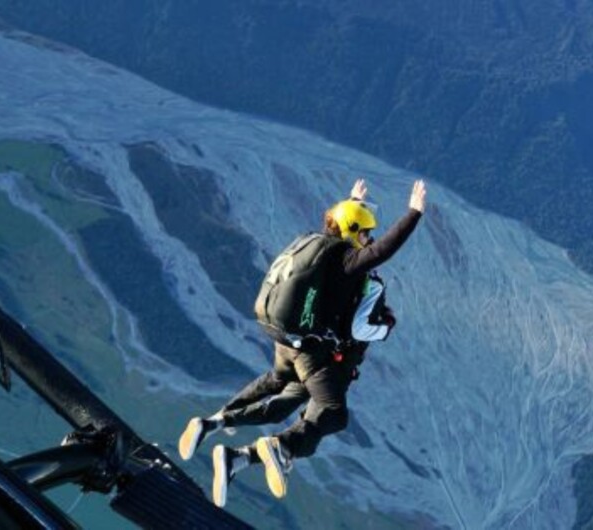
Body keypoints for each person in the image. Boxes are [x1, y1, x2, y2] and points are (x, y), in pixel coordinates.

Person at [178, 178, 426, 507]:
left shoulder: (318, 245)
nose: (369, 239)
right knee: (333, 414)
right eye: (365, 233)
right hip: (311, 351)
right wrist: (414, 213)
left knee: (284, 388)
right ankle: (278, 448)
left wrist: (353, 200)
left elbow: (342, 223)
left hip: (286, 341)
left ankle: (222, 435)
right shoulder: (347, 262)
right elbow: (384, 250)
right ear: (353, 232)